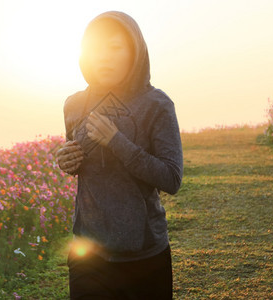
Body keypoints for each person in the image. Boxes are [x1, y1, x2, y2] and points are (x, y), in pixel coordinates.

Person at [56, 11, 184, 300]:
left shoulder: (157, 105)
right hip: (86, 254)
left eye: (115, 48)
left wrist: (116, 141)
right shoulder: (74, 105)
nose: (104, 57)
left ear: (135, 51)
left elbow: (172, 179)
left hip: (144, 256)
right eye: (97, 49)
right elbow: (79, 160)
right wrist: (67, 160)